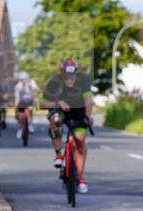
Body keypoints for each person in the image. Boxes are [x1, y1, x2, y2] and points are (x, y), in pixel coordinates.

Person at [41, 59, 94, 194]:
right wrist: (58, 103)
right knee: (54, 119)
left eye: (72, 77)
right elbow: (41, 103)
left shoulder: (83, 82)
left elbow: (88, 100)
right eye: (66, 78)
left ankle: (80, 178)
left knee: (80, 141)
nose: (70, 81)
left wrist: (88, 116)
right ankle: (59, 154)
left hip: (78, 112)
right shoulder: (54, 82)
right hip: (60, 111)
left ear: (77, 74)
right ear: (61, 75)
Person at [14, 72, 38, 139]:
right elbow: (17, 97)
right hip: (22, 102)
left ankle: (30, 125)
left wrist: (32, 88)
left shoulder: (31, 82)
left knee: (30, 111)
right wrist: (16, 106)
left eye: (25, 79)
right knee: (20, 116)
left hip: (30, 101)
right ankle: (20, 128)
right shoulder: (18, 86)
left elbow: (37, 89)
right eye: (22, 80)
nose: (24, 81)